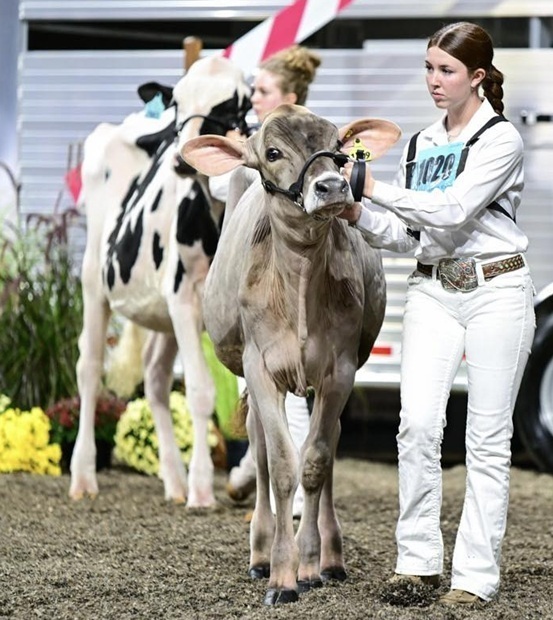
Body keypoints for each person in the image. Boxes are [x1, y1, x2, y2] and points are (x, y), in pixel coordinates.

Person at [339, 22, 535, 606]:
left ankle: (474, 579)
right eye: (428, 67)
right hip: (431, 291)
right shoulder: (423, 143)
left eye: (446, 70)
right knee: (418, 426)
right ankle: (418, 563)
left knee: (487, 438)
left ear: (477, 77)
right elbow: (409, 235)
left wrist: (371, 184)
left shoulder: (501, 140)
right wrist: (354, 212)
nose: (433, 81)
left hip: (497, 292)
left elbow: (450, 211)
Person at [213, 45, 322, 518]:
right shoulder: (271, 137)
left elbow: (222, 185)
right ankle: (254, 474)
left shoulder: (291, 144)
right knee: (268, 384)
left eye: (263, 90)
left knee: (288, 379)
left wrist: (237, 153)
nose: (254, 97)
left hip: (291, 280)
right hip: (260, 277)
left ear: (289, 96)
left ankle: (293, 490)